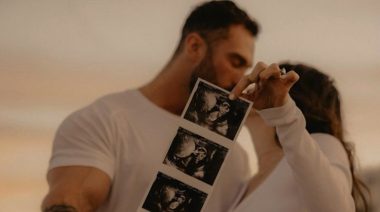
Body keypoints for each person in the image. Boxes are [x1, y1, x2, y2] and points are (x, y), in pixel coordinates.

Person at [41, 1, 259, 212]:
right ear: (194, 46)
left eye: (246, 69)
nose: (241, 79)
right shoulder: (106, 120)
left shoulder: (237, 159)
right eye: (236, 62)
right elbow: (74, 198)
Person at [228, 62, 369, 211]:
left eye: (264, 85)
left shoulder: (324, 143)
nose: (251, 89)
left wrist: (284, 115)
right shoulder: (244, 182)